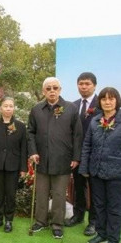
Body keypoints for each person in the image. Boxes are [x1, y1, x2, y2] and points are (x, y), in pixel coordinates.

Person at [28, 77, 83, 239]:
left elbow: (77, 136)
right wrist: (33, 152)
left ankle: (57, 224)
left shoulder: (71, 108)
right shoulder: (36, 109)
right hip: (41, 159)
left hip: (63, 159)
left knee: (59, 194)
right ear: (44, 91)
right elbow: (30, 132)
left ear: (60, 90)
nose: (52, 91)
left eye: (55, 88)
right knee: (41, 193)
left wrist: (76, 157)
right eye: (48, 88)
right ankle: (40, 221)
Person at [79, 87, 121, 243]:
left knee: (115, 208)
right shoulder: (95, 121)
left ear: (117, 101)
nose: (107, 102)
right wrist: (84, 167)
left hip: (116, 173)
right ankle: (101, 233)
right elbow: (87, 145)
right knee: (99, 205)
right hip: (96, 171)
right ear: (100, 102)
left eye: (111, 99)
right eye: (104, 99)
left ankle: (113, 237)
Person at [0, 97, 27, 233]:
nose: (8, 108)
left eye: (11, 106)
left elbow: (24, 148)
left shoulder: (20, 126)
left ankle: (9, 220)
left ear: (14, 108)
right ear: (0, 108)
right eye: (5, 106)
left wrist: (23, 168)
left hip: (13, 166)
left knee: (11, 195)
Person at [65, 72, 99, 236]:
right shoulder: (73, 105)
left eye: (87, 84)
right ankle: (78, 216)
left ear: (94, 85)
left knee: (94, 189)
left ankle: (93, 222)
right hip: (77, 156)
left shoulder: (102, 104)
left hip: (95, 155)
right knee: (78, 187)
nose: (84, 86)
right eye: (81, 84)